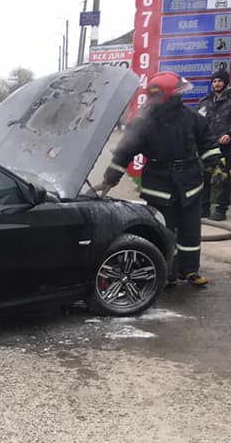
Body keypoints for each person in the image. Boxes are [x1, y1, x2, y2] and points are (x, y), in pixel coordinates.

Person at [94, 71, 223, 286]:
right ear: (169, 95)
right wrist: (110, 178)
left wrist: (216, 166)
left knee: (191, 230)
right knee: (164, 232)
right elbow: (124, 153)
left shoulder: (192, 118)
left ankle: (190, 270)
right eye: (178, 92)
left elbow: (207, 143)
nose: (181, 96)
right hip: (159, 186)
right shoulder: (143, 122)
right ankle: (167, 272)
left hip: (190, 183)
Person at [196, 69, 231, 221]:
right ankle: (204, 208)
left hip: (225, 146)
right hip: (207, 146)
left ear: (226, 83)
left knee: (224, 178)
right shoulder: (204, 101)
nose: (217, 84)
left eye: (220, 81)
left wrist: (229, 134)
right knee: (204, 177)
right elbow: (197, 122)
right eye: (214, 81)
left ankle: (221, 209)